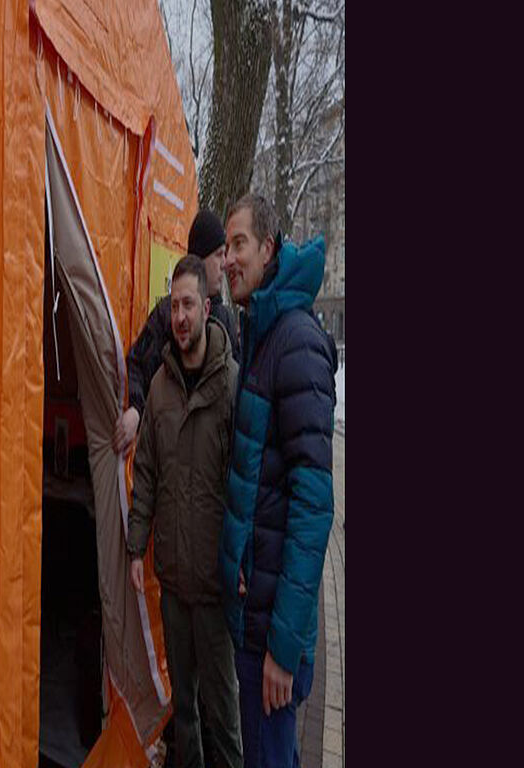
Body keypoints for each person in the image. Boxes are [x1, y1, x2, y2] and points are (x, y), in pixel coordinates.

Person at [218, 194, 336, 768]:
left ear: (269, 248)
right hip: (255, 615)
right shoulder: (261, 335)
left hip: (272, 638)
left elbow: (314, 509)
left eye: (239, 243)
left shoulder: (296, 343)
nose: (229, 259)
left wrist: (283, 652)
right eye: (225, 247)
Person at [126, 255, 243, 768]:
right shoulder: (158, 388)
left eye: (189, 304)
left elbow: (247, 482)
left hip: (217, 587)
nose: (180, 316)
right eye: (174, 306)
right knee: (185, 714)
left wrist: (244, 559)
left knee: (223, 714)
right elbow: (146, 470)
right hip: (173, 581)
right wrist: (135, 545)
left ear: (207, 308)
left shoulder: (233, 386)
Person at [115, 209, 239, 455]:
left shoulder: (226, 320)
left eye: (189, 306)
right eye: (218, 255)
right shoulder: (165, 315)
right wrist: (136, 410)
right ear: (200, 259)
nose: (224, 264)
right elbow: (138, 362)